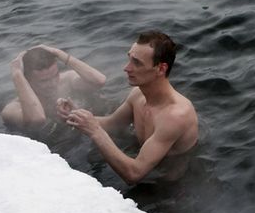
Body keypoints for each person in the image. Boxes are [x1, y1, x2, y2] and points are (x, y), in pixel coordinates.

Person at [60, 31, 199, 184]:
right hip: (148, 171)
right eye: (129, 59)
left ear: (161, 69)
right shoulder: (138, 95)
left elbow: (134, 174)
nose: (127, 68)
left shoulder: (175, 116)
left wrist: (95, 131)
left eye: (137, 63)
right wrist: (76, 116)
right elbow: (113, 124)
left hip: (170, 188)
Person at [2, 45, 107, 136]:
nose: (52, 84)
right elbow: (37, 120)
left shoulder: (67, 80)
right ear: (27, 80)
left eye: (55, 75)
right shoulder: (12, 109)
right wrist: (17, 74)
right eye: (44, 81)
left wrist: (58, 53)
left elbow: (99, 81)